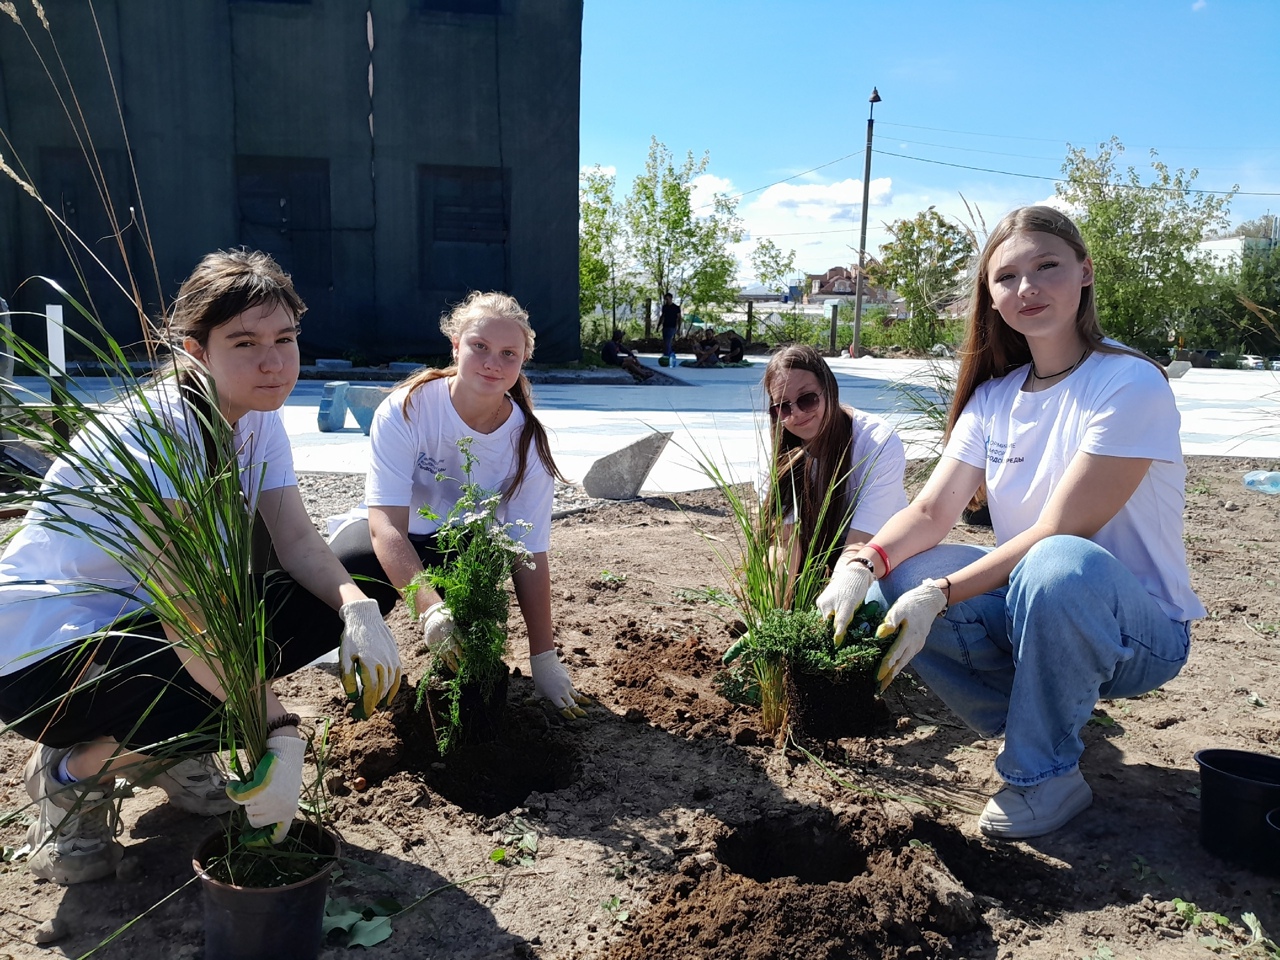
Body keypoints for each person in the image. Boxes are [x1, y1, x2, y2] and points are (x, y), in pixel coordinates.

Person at [0, 250, 402, 884]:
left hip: (147, 629)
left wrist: (357, 608)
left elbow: (297, 539)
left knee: (359, 573)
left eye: (285, 338)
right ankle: (70, 778)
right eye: (244, 342)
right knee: (211, 658)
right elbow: (190, 612)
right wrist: (280, 727)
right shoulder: (153, 432)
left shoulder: (254, 417)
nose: (273, 361)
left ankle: (167, 751)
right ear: (196, 350)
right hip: (46, 662)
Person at [816, 205, 1203, 839]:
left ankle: (1042, 774)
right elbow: (932, 511)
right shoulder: (995, 398)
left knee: (1055, 565)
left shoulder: (1129, 383)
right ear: (991, 299)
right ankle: (1043, 716)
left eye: (1046, 267)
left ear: (1084, 272)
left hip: (1141, 629)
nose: (1027, 288)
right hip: (1041, 608)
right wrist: (861, 565)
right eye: (1007, 277)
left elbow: (1059, 532)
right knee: (899, 573)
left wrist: (940, 595)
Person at [329, 292, 591, 721]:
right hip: (391, 540)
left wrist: (543, 657)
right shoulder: (407, 408)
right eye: (480, 347)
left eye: (509, 353)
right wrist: (430, 608)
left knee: (477, 667)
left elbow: (527, 552)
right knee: (350, 565)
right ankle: (348, 654)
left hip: (459, 550)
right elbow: (386, 526)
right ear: (455, 345)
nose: (493, 362)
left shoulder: (527, 445)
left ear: (524, 359)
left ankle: (462, 697)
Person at [762, 345, 907, 588]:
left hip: (879, 554)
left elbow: (860, 544)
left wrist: (831, 606)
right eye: (783, 407)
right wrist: (774, 613)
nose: (796, 413)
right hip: (822, 556)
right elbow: (784, 543)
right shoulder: (778, 455)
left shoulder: (877, 441)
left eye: (807, 399)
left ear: (829, 389)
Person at [659, 292, 681, 358]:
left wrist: (678, 328)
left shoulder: (676, 308)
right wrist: (659, 325)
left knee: (668, 341)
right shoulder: (664, 307)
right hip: (665, 326)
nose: (666, 300)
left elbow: (679, 318)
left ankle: (667, 355)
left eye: (667, 299)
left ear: (671, 299)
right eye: (665, 299)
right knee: (665, 342)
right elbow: (662, 316)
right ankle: (670, 353)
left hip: (672, 326)